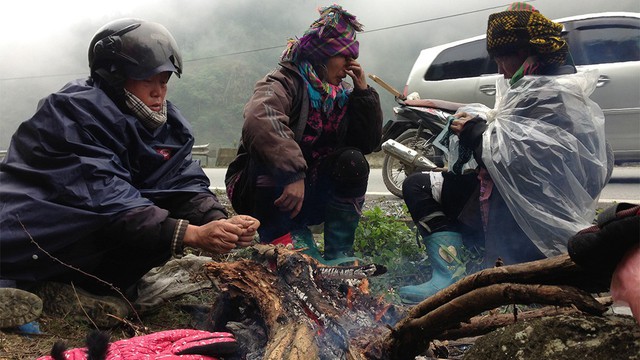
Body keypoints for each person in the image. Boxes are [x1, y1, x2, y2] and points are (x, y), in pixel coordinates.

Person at [0, 18, 259, 327]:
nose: (159, 91)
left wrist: (217, 220)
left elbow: (180, 180)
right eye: (148, 80)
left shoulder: (166, 125)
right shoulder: (71, 113)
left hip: (95, 238)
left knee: (155, 225)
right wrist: (192, 235)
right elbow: (104, 196)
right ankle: (31, 286)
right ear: (115, 75)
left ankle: (84, 291)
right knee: (140, 225)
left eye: (164, 80)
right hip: (34, 234)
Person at [399, 2, 611, 304]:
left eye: (503, 59)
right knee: (420, 183)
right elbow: (517, 141)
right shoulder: (538, 83)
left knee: (501, 278)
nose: (499, 69)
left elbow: (519, 161)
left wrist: (475, 134)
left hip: (526, 214)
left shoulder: (551, 94)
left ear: (528, 53)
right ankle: (453, 269)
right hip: (513, 203)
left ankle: (474, 269)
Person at [225, 5, 382, 264]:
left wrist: (363, 92)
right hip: (262, 189)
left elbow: (367, 143)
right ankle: (285, 239)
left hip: (309, 189)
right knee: (267, 162)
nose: (350, 65)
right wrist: (292, 172)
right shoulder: (282, 82)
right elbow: (260, 117)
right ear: (323, 55)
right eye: (344, 56)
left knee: (352, 160)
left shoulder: (341, 93)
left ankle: (339, 254)